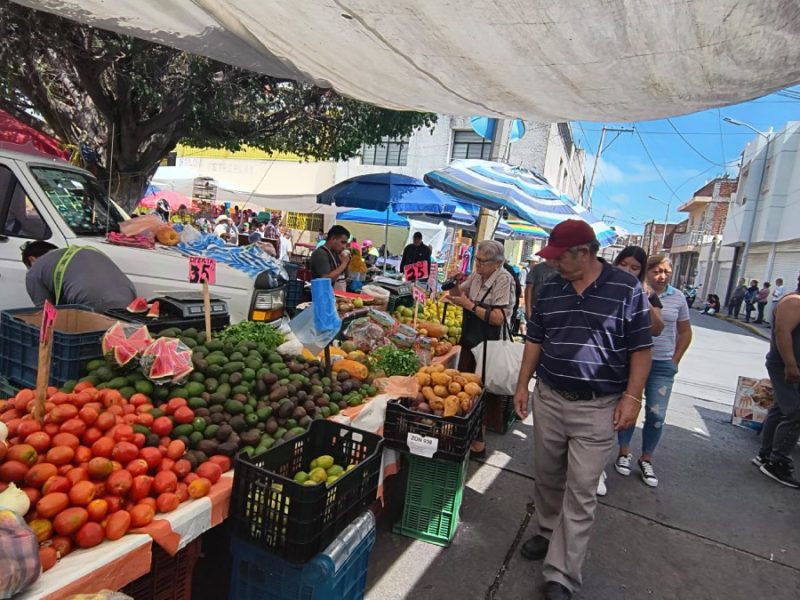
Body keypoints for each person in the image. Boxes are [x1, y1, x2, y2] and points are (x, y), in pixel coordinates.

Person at [512, 220, 653, 600]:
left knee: (582, 489)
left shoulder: (625, 289)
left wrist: (632, 398)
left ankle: (562, 572)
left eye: (560, 257)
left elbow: (641, 349)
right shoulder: (552, 288)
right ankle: (546, 531)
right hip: (551, 397)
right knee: (547, 475)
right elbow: (535, 339)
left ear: (585, 253)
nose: (554, 264)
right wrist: (522, 383)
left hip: (598, 407)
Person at [615, 256, 692, 489]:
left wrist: (674, 361)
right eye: (657, 270)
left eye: (667, 271)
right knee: (629, 407)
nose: (662, 275)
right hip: (635, 360)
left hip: (661, 364)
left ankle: (646, 458)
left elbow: (685, 332)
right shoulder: (636, 291)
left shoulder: (678, 297)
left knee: (656, 415)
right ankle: (623, 452)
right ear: (647, 271)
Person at [447, 240, 515, 457]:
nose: (478, 265)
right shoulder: (477, 275)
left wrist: (470, 306)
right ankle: (465, 434)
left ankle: (479, 441)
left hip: (489, 345)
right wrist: (453, 284)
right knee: (464, 387)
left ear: (497, 263)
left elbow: (497, 318)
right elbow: (459, 297)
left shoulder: (504, 280)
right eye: (477, 259)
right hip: (470, 340)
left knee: (482, 393)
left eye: (483, 262)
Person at [754, 272, 800, 487]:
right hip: (786, 365)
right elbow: (783, 332)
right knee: (796, 411)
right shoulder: (793, 302)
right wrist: (790, 364)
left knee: (781, 408)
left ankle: (766, 454)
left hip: (791, 365)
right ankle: (777, 461)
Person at [21, 241, 137, 313]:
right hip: (129, 297)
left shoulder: (34, 271)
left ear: (32, 260)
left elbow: (45, 312)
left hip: (91, 302)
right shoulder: (84, 251)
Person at [309, 225, 351, 291]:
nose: (344, 246)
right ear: (333, 239)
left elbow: (345, 276)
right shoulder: (321, 253)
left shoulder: (334, 253)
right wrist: (344, 264)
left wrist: (346, 263)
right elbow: (326, 280)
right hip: (319, 296)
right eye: (342, 242)